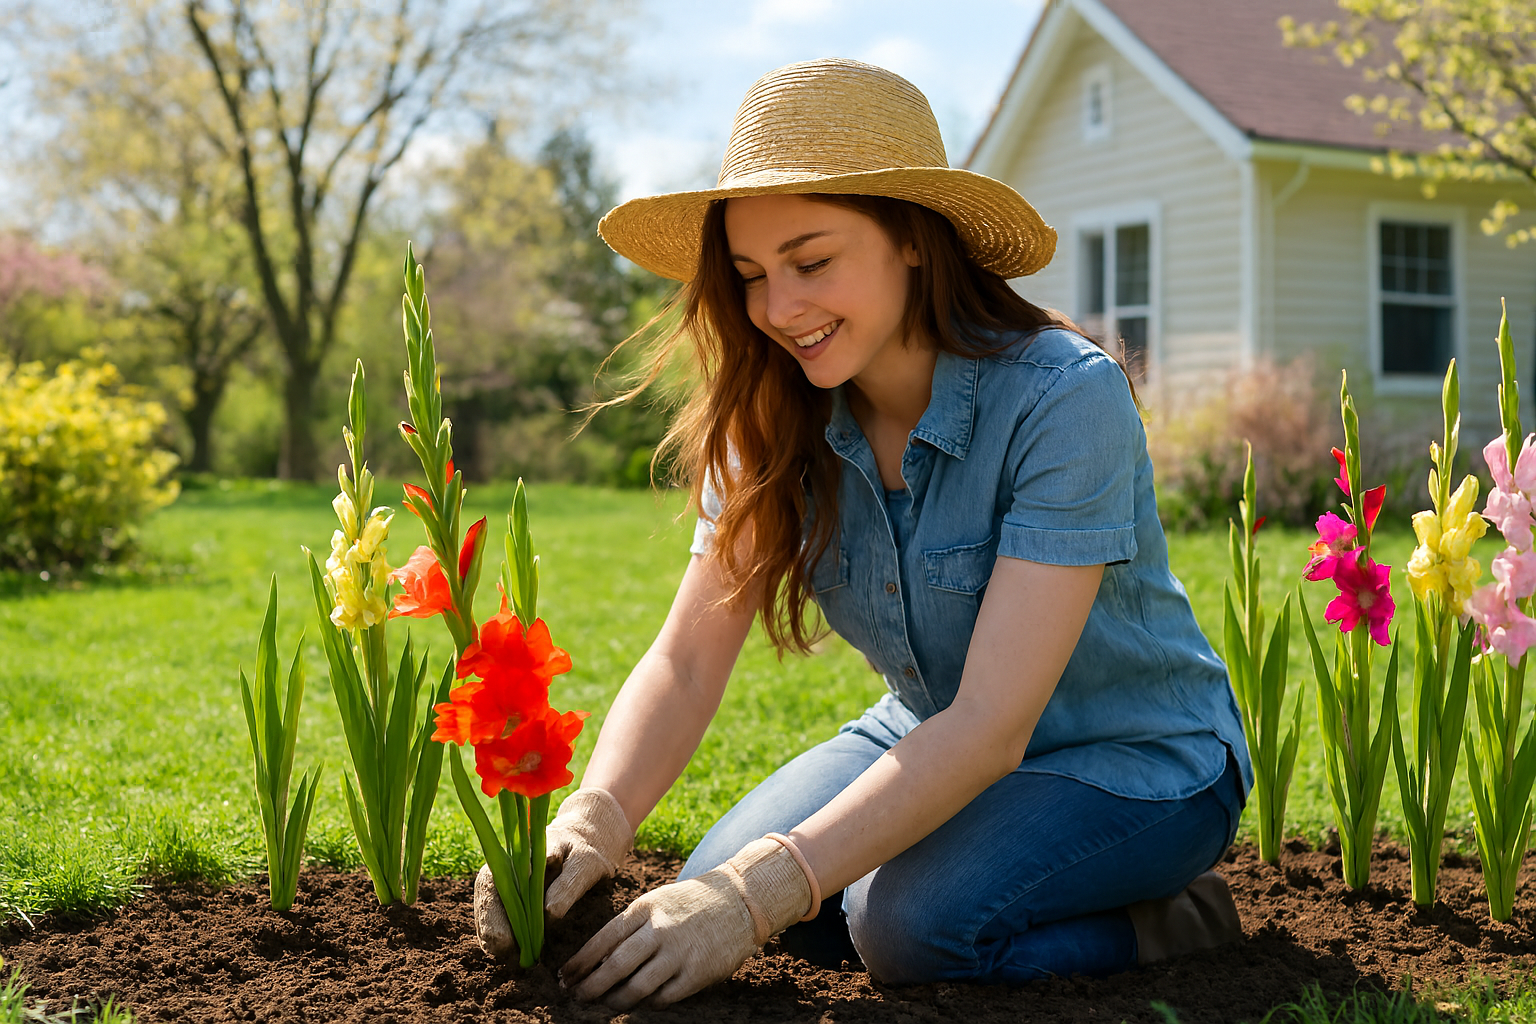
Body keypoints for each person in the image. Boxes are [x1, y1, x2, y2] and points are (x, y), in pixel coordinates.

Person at [474, 58, 1251, 1010]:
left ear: (913, 240)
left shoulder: (1062, 399)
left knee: (901, 925)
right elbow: (685, 659)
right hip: (930, 728)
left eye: (812, 261)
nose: (778, 309)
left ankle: (1168, 920)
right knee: (717, 879)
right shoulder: (772, 417)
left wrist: (755, 896)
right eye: (754, 276)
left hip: (1138, 762)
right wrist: (592, 823)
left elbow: (992, 727)